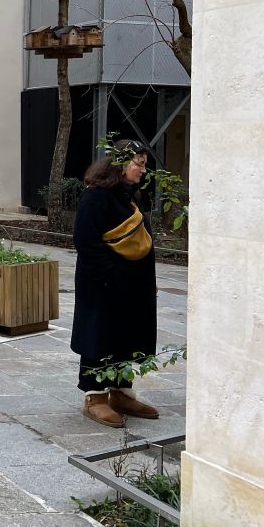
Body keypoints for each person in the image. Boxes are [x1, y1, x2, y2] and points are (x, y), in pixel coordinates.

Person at [71, 139, 160, 428]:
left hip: (131, 285)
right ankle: (95, 397)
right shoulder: (97, 196)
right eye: (139, 164)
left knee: (127, 335)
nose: (143, 170)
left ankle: (121, 394)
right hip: (103, 285)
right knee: (100, 336)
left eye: (144, 165)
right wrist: (113, 276)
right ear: (120, 164)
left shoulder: (130, 195)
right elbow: (86, 241)